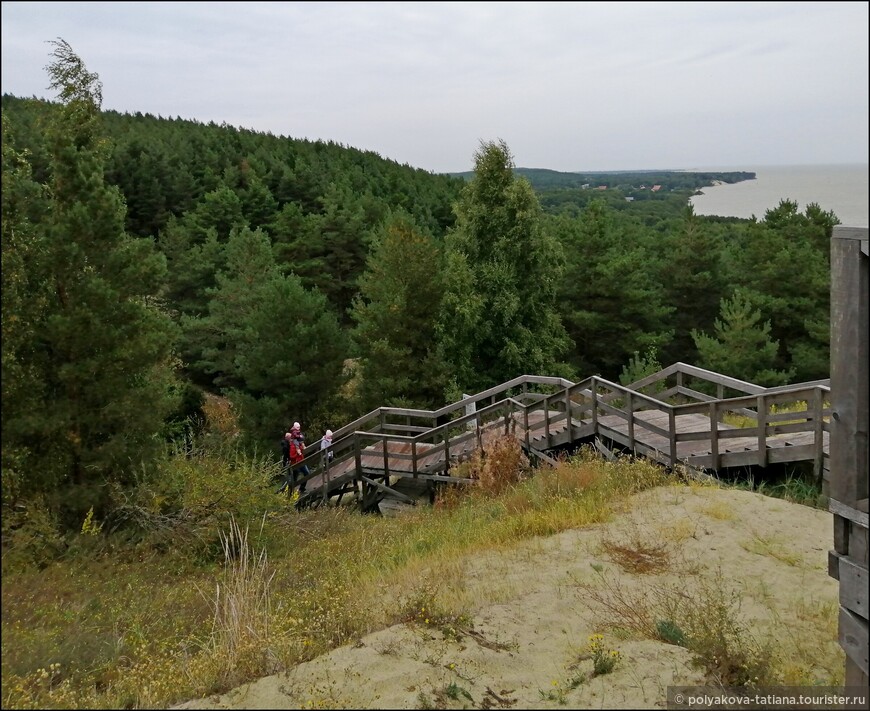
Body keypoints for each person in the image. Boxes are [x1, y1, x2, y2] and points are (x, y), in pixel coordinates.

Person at [289, 422, 310, 493]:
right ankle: (290, 492)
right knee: (294, 478)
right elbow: (291, 456)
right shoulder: (292, 445)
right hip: (295, 462)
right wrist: (297, 454)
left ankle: (302, 488)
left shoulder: (299, 442)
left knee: (307, 473)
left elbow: (302, 444)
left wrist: (301, 451)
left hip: (301, 460)